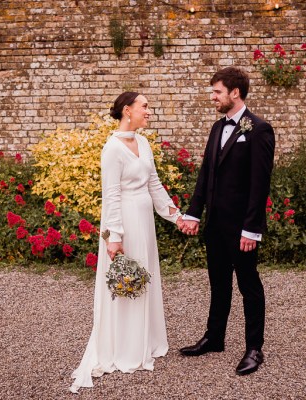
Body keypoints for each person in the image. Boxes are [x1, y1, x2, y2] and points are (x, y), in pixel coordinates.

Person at [69, 92, 184, 392]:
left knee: (146, 277)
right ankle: (125, 349)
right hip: (125, 224)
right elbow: (112, 196)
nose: (149, 111)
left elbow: (155, 185)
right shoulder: (112, 149)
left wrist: (177, 216)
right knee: (126, 283)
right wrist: (114, 237)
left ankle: (147, 341)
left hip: (145, 222)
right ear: (127, 110)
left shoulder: (144, 143)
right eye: (144, 106)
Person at [179, 67, 275, 376]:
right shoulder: (216, 128)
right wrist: (194, 213)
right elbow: (206, 175)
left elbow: (260, 184)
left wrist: (252, 229)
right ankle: (214, 337)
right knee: (218, 283)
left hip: (241, 228)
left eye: (217, 92)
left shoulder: (258, 129)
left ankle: (254, 349)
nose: (212, 97)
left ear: (235, 93)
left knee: (249, 285)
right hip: (215, 224)